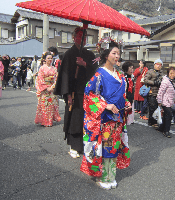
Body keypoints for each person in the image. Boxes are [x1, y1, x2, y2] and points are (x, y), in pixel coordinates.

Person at [80, 38, 131, 190]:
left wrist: (126, 102)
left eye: (119, 54)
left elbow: (122, 95)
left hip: (117, 119)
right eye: (114, 53)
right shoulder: (98, 74)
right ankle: (102, 176)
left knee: (113, 148)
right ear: (106, 54)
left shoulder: (120, 75)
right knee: (103, 149)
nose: (117, 56)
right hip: (104, 119)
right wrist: (105, 105)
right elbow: (89, 95)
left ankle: (111, 176)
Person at [54, 27, 97, 158]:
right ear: (73, 38)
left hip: (88, 92)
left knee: (87, 119)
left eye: (84, 37)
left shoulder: (90, 55)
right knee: (75, 118)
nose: (82, 39)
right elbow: (65, 76)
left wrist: (85, 64)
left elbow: (96, 72)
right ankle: (74, 146)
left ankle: (85, 144)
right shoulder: (68, 54)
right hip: (74, 93)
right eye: (79, 36)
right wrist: (67, 95)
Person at [35, 52, 61, 127]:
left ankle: (49, 121)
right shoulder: (42, 68)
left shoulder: (54, 68)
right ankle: (44, 121)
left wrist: (53, 87)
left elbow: (56, 79)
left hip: (52, 89)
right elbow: (40, 79)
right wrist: (46, 87)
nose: (50, 59)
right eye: (48, 58)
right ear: (45, 59)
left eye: (51, 58)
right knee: (44, 105)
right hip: (44, 90)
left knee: (51, 105)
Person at [144, 59, 164, 128]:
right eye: (157, 64)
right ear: (154, 64)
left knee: (157, 107)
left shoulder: (161, 73)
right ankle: (152, 122)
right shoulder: (150, 72)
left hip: (159, 93)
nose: (159, 66)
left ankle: (151, 121)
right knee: (152, 107)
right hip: (151, 93)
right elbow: (145, 80)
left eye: (160, 65)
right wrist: (154, 83)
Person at [157, 67, 175, 138]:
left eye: (174, 73)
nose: (173, 74)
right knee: (169, 116)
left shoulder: (172, 81)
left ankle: (161, 128)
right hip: (165, 102)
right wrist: (159, 101)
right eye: (171, 73)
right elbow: (160, 92)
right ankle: (166, 131)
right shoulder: (165, 81)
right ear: (168, 73)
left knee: (166, 115)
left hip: (170, 102)